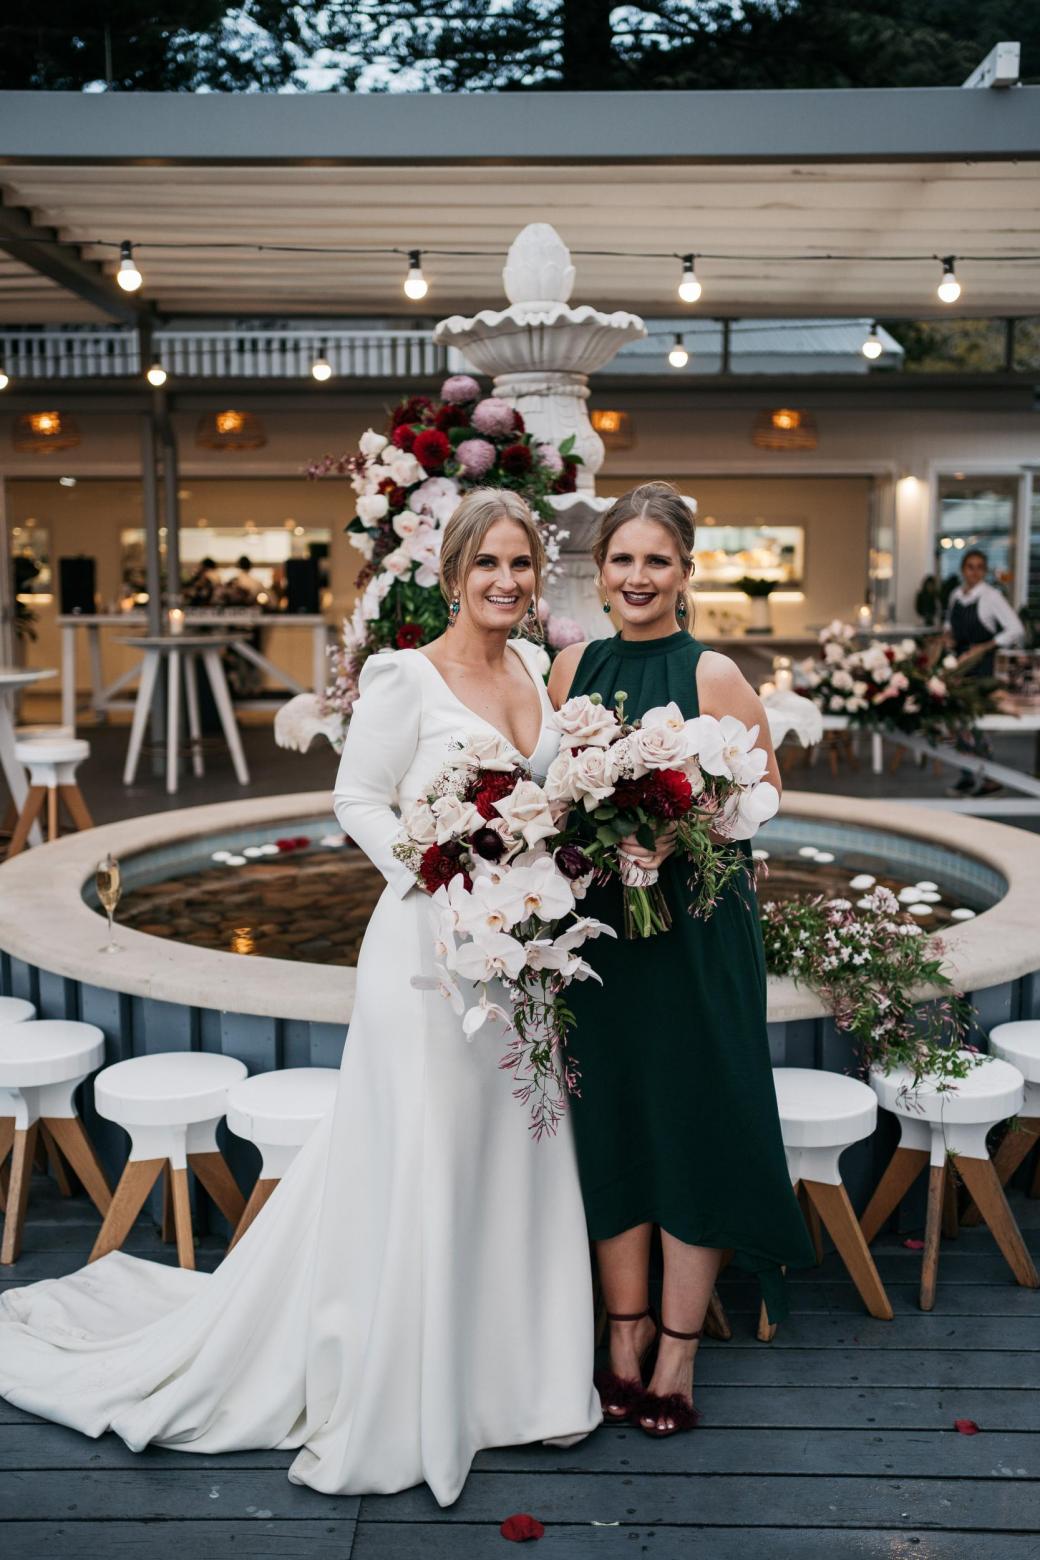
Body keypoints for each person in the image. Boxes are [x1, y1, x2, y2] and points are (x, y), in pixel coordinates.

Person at [0, 488, 599, 1507]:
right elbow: (356, 798)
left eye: (519, 567)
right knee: (423, 1151)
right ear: (452, 575)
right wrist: (434, 864)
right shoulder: (404, 676)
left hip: (524, 954)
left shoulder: (539, 670)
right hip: (427, 949)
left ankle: (517, 1383)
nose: (504, 583)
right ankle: (412, 1383)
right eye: (486, 565)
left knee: (512, 1152)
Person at [548, 481, 815, 1438]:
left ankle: (678, 1346)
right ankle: (620, 1336)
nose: (637, 576)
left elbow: (767, 794)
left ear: (685, 573)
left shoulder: (715, 675)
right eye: (623, 559)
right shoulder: (569, 668)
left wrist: (683, 827)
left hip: (696, 937)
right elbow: (550, 798)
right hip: (605, 942)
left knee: (693, 1123)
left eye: (657, 560)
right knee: (611, 1120)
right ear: (601, 568)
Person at [944, 548, 1025, 797]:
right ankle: (967, 775)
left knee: (976, 723)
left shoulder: (991, 597)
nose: (975, 571)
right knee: (958, 723)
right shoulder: (956, 595)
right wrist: (947, 638)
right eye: (970, 566)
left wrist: (987, 645)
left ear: (985, 571)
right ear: (963, 569)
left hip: (982, 667)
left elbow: (1016, 629)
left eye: (980, 567)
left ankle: (990, 778)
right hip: (958, 665)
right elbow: (949, 624)